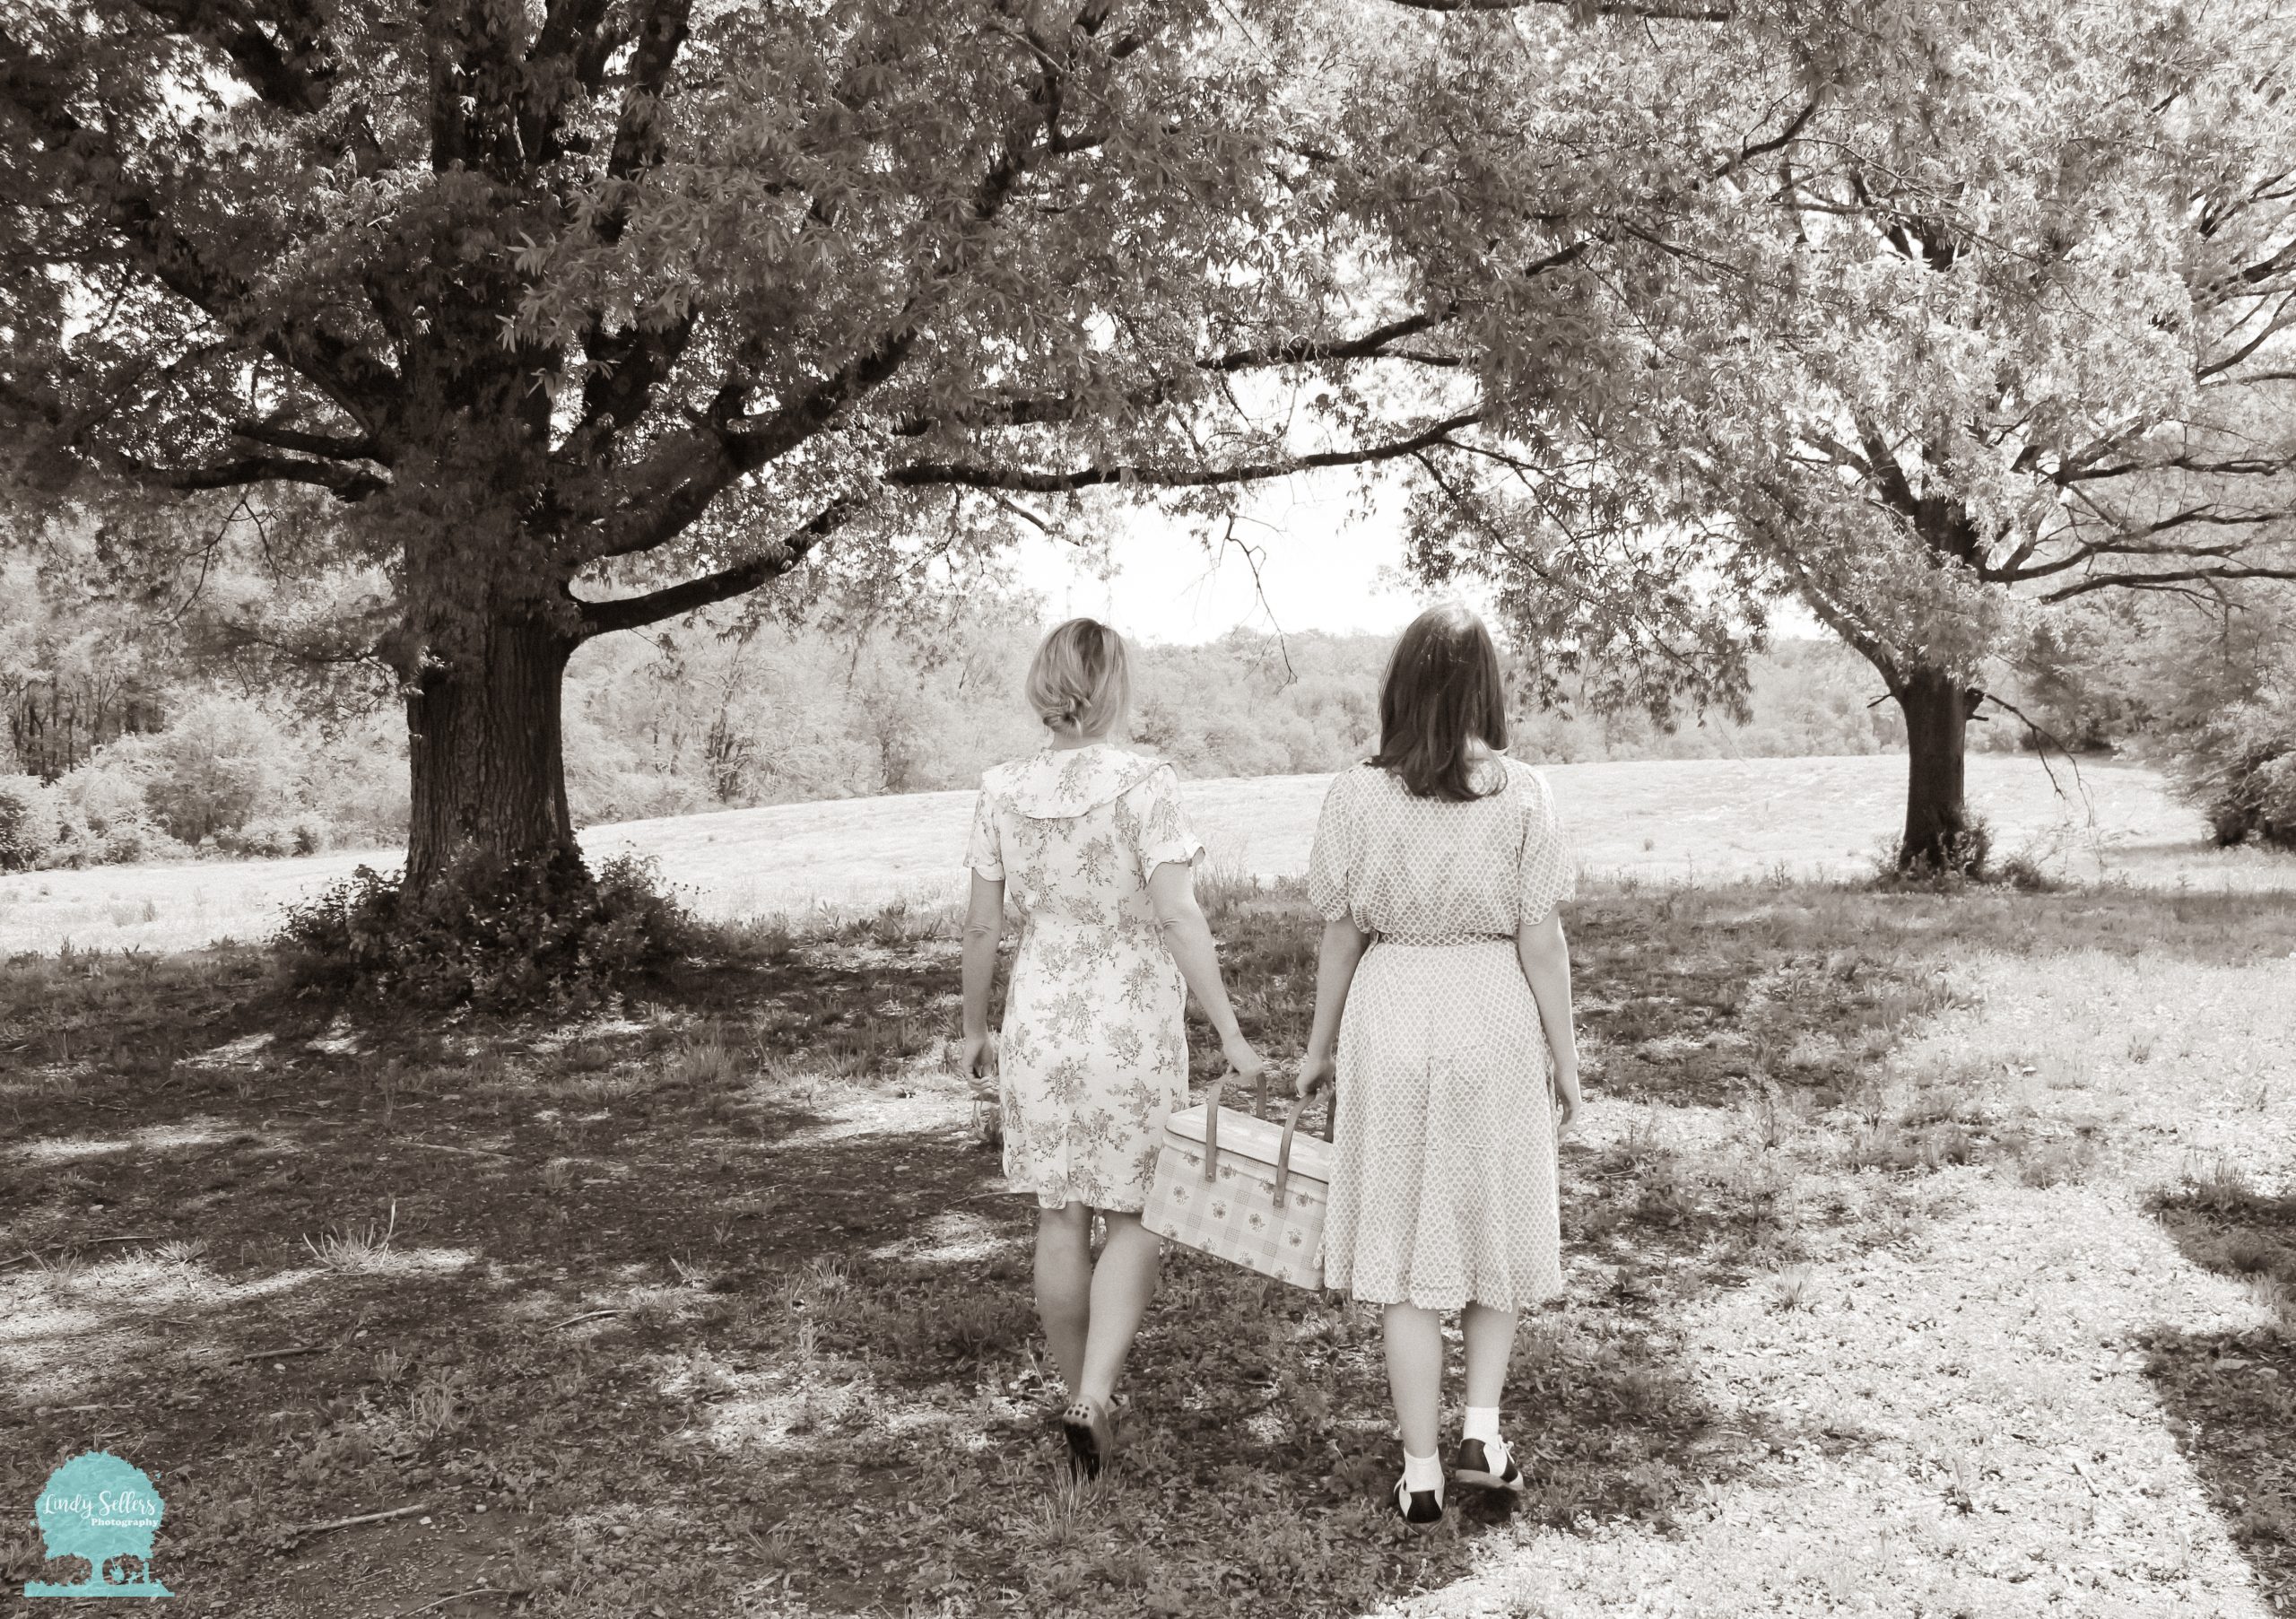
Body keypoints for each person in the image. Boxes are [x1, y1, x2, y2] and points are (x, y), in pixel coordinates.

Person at [958, 616, 1265, 1477]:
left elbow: (982, 924)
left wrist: (974, 1027)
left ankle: (1076, 1398)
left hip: (1043, 1017)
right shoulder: (1146, 783)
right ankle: (1093, 1395)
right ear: (1115, 684)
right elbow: (1177, 913)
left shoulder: (1000, 788)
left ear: (1044, 682)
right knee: (1135, 1213)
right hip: (1129, 1024)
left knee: (1059, 1211)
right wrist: (1230, 1034)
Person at [1296, 602, 1581, 1528]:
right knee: (1489, 1222)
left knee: (1400, 1233)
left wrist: (1315, 1047)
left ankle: (1419, 1469)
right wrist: (1565, 1060)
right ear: (1484, 687)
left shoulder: (1353, 793)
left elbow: (1340, 933)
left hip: (1389, 1013)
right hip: (1491, 1011)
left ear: (1399, 687)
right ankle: (1483, 1434)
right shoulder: (1525, 791)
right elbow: (1542, 942)